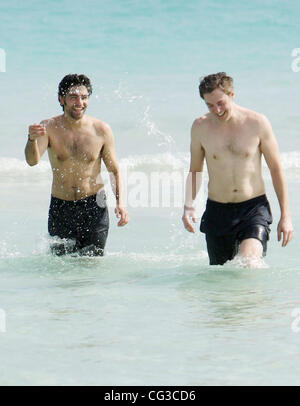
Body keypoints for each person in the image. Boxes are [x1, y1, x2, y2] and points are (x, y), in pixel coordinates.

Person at [182, 72, 294, 266]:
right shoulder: (200, 127)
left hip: (253, 209)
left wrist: (286, 216)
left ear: (232, 95)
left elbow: (276, 169)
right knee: (221, 277)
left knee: (248, 263)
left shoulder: (257, 123)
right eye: (210, 105)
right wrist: (188, 205)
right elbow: (195, 170)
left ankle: (255, 297)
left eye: (220, 103)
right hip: (217, 211)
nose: (216, 110)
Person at [25, 74, 129, 256]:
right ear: (61, 99)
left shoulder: (101, 130)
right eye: (73, 97)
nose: (79, 102)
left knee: (92, 265)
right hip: (61, 207)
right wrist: (32, 139)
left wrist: (121, 203)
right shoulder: (48, 127)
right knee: (61, 267)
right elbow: (32, 161)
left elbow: (114, 170)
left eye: (84, 97)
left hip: (94, 206)